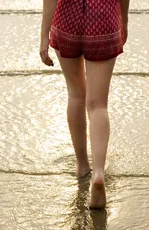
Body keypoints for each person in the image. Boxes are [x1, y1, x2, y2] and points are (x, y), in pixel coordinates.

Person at [39, 0, 129, 209]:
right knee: (98, 105)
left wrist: (44, 36)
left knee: (76, 95)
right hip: (104, 17)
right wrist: (123, 20)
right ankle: (98, 173)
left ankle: (81, 165)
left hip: (67, 19)